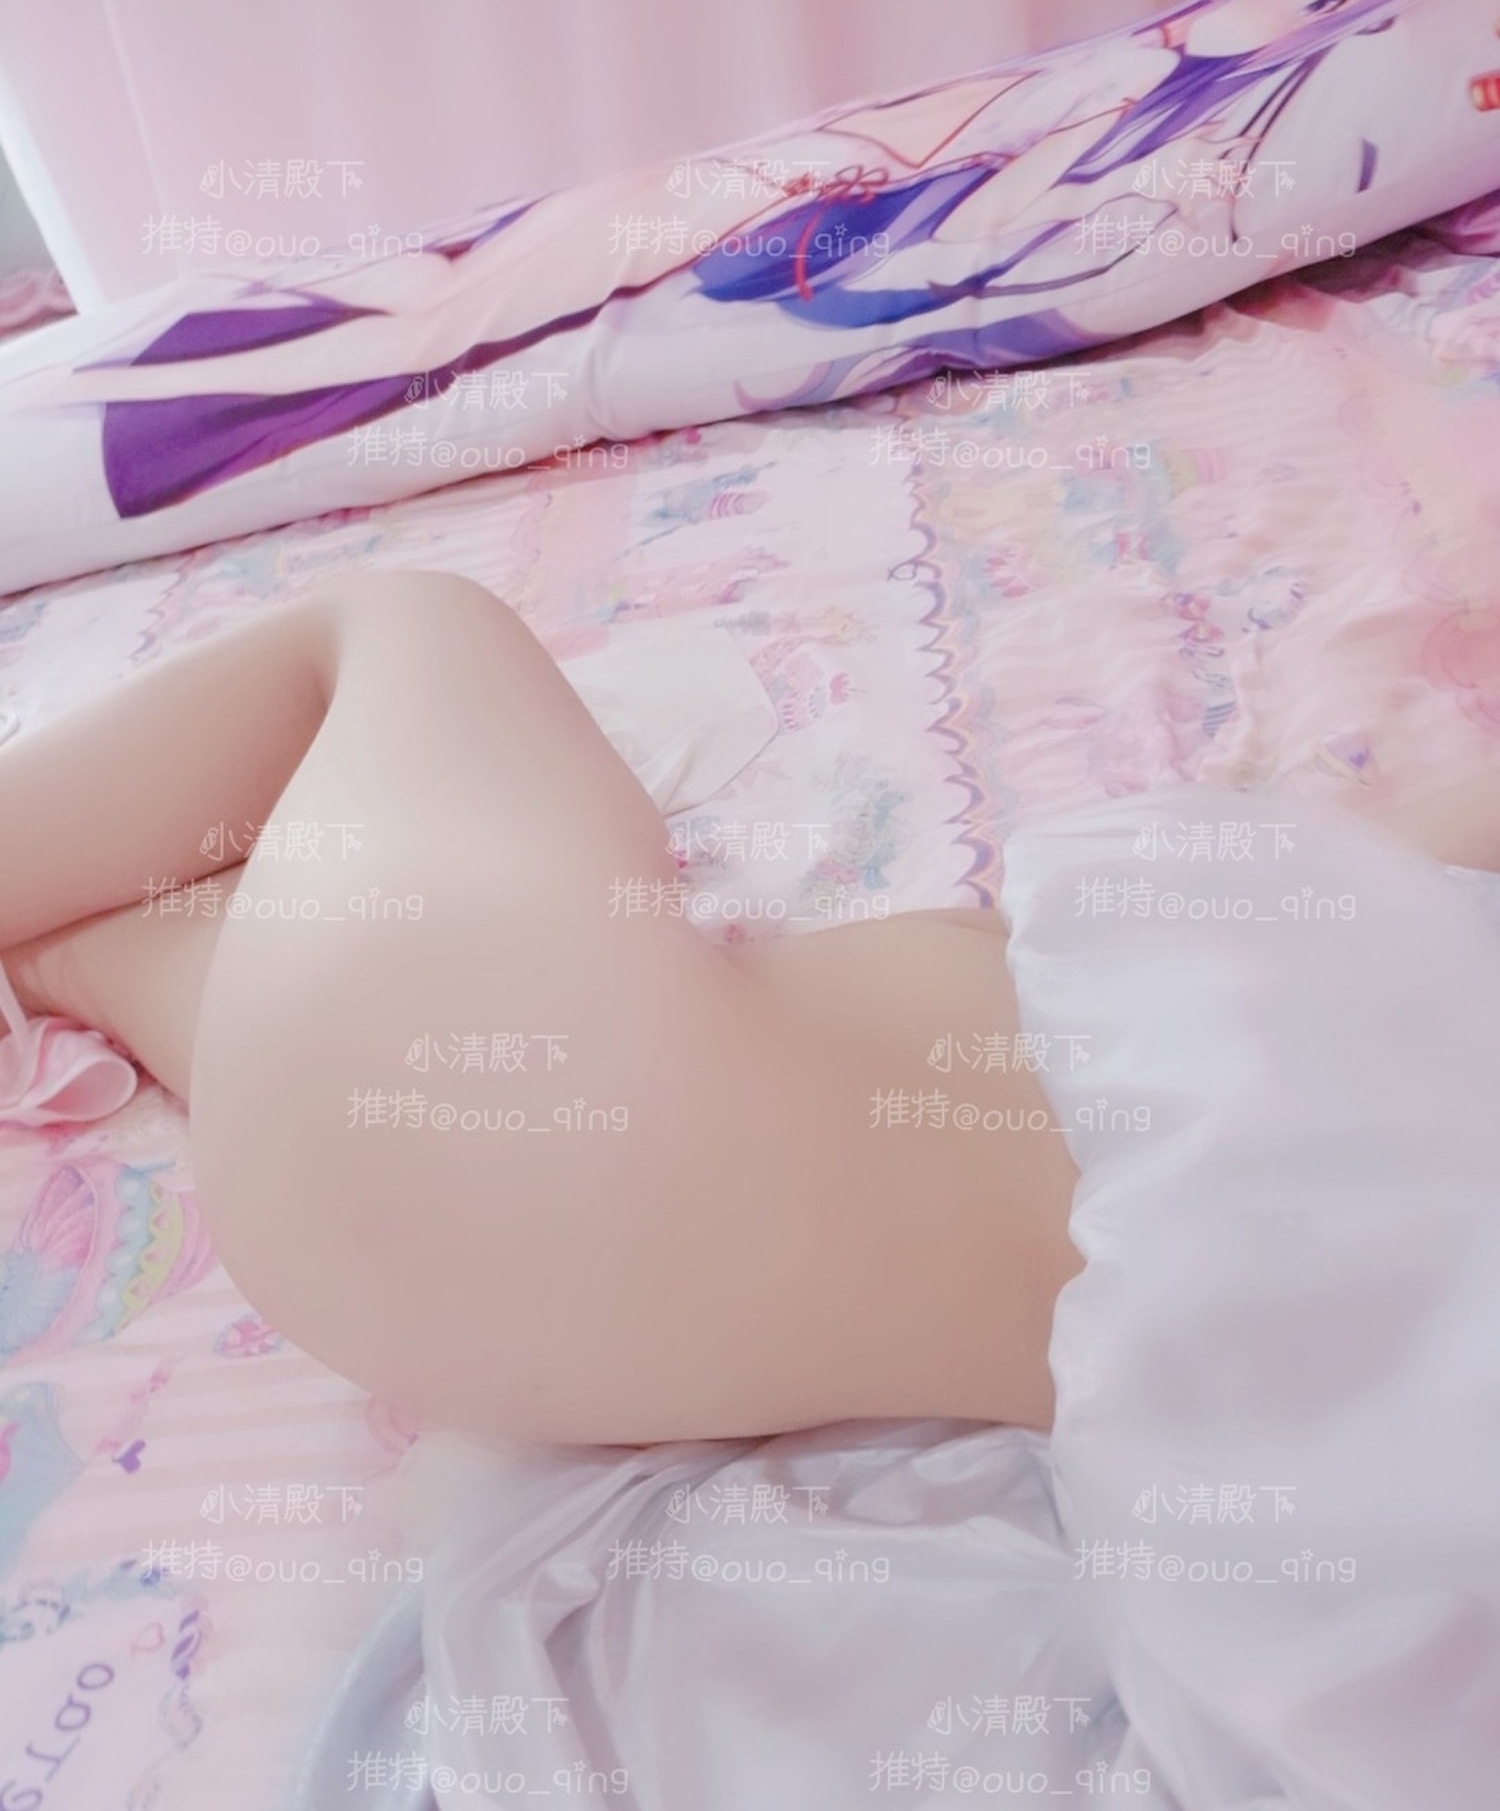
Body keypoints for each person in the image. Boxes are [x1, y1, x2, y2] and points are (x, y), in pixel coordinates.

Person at [0, 569, 1495, 1449]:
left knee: (398, 619)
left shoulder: (1388, 953)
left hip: (530, 1095)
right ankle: (57, 968)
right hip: (449, 1318)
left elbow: (1380, 855)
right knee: (131, 951)